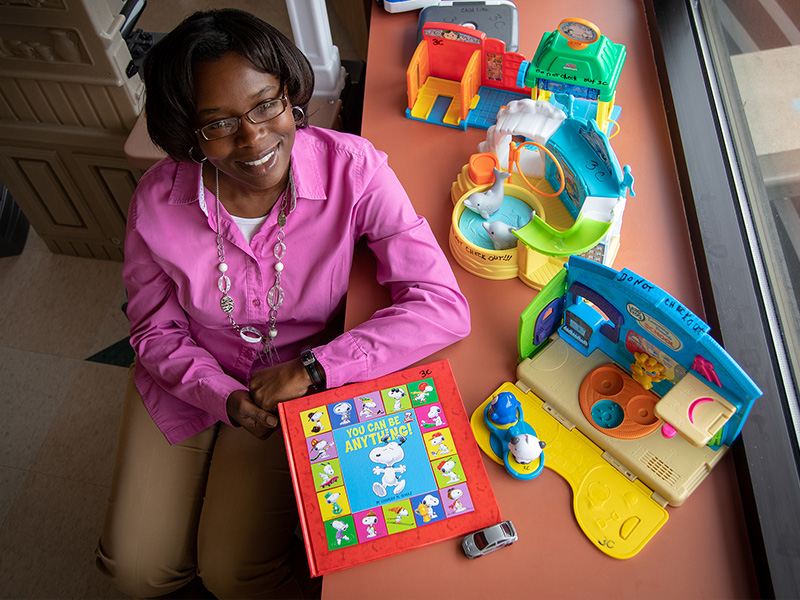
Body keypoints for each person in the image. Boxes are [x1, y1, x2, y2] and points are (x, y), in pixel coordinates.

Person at [95, 8, 470, 600]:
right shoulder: (157, 200)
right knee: (137, 570)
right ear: (186, 134)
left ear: (290, 93)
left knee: (234, 574)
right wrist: (221, 395)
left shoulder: (355, 170)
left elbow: (441, 305)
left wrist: (317, 368)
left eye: (266, 104)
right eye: (218, 124)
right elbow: (153, 331)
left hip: (292, 389)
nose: (254, 138)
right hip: (187, 380)